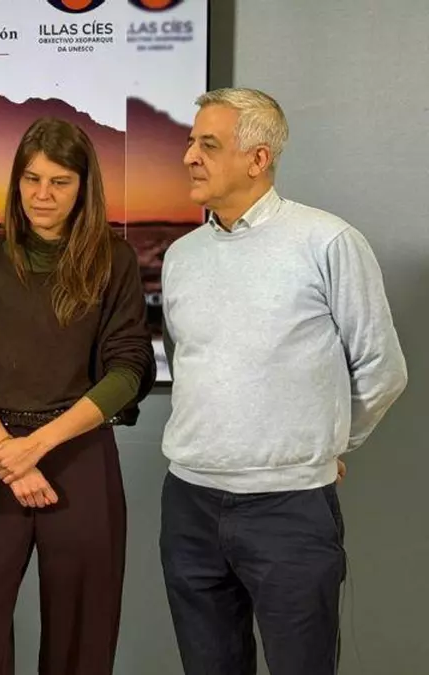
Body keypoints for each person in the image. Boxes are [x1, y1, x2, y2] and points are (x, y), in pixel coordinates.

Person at [160, 88, 408, 675]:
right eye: (191, 142)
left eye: (208, 144)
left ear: (258, 158)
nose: (189, 156)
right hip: (189, 504)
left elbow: (382, 368)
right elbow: (189, 361)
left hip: (289, 509)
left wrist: (329, 443)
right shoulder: (180, 256)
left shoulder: (327, 242)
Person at [0, 117, 156, 675]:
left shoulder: (115, 260)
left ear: (83, 187)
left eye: (60, 182)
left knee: (81, 639)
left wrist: (35, 447)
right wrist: (10, 453)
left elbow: (128, 371)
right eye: (32, 179)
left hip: (79, 456)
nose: (43, 194)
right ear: (16, 182)